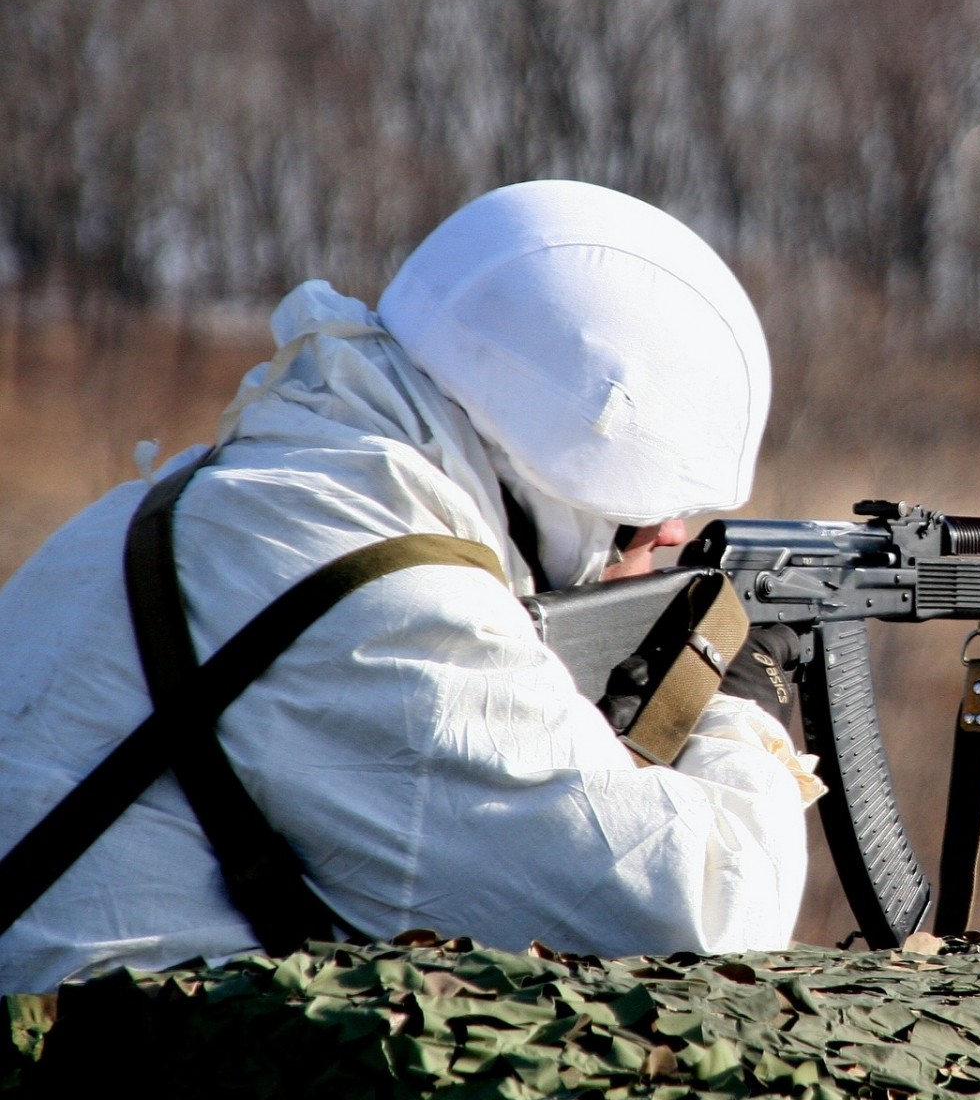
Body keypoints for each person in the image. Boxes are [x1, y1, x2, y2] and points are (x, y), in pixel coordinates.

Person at [0, 180, 819, 992]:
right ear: (555, 474)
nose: (672, 535)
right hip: (86, 1069)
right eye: (649, 510)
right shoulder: (396, 609)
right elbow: (699, 923)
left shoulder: (193, 500)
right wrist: (731, 702)